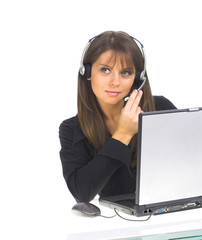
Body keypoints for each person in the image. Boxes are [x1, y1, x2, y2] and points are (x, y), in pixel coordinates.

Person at [59, 31, 176, 203]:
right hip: (116, 222)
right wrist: (123, 134)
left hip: (172, 208)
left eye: (126, 73)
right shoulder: (72, 129)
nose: (115, 81)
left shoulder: (160, 108)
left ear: (137, 78)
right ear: (88, 72)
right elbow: (82, 193)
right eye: (105, 70)